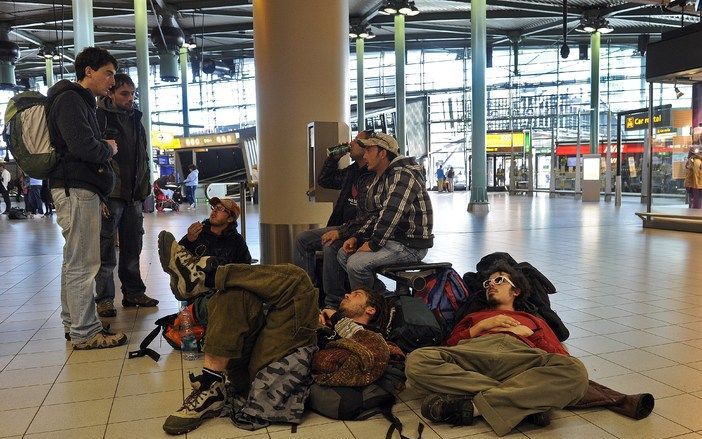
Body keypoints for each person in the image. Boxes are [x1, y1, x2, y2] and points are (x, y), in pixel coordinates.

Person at [155, 231, 387, 435]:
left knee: (299, 280)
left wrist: (333, 320)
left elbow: (370, 352)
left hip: (288, 367)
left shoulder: (372, 334)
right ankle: (211, 384)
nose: (347, 295)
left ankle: (204, 277)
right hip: (251, 371)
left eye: (356, 294)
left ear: (370, 309)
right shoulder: (323, 314)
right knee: (238, 295)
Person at [405, 262, 588, 437]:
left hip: (519, 360)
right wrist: (481, 326)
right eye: (488, 283)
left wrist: (529, 334)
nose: (491, 285)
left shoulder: (533, 319)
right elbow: (450, 345)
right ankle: (525, 402)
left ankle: (473, 407)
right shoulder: (474, 317)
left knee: (576, 371)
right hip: (474, 354)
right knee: (416, 361)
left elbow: (559, 355)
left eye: (499, 280)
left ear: (516, 291)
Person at [47, 46, 127, 349]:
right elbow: (83, 147)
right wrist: (108, 148)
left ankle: (74, 323)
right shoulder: (71, 99)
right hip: (75, 188)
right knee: (84, 263)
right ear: (88, 72)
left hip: (77, 187)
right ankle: (86, 332)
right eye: (107, 73)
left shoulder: (77, 100)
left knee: (73, 262)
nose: (112, 80)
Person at [93, 73, 158, 318]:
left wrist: (145, 187)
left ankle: (133, 292)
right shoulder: (99, 117)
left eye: (132, 94)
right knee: (105, 248)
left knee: (133, 245)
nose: (130, 99)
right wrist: (100, 193)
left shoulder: (135, 119)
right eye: (124, 94)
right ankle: (105, 299)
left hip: (133, 193)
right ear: (110, 93)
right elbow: (95, 157)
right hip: (111, 193)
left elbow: (143, 156)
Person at [338, 133, 433, 294]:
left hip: (410, 244)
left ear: (382, 153)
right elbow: (375, 215)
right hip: (393, 240)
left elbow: (391, 213)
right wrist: (358, 237)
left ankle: (370, 307)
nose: (364, 155)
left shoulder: (403, 174)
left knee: (356, 264)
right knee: (343, 254)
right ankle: (382, 299)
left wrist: (373, 243)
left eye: (368, 150)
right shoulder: (382, 178)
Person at [294, 129, 375, 309]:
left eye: (356, 141)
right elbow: (325, 180)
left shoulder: (373, 175)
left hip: (359, 231)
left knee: (330, 246)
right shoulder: (353, 171)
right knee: (303, 239)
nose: (351, 144)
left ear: (368, 148)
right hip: (343, 226)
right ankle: (309, 294)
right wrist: (333, 157)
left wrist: (340, 232)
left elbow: (367, 218)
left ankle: (333, 302)